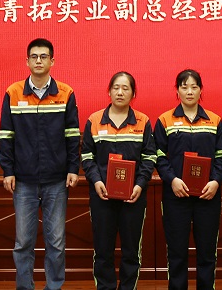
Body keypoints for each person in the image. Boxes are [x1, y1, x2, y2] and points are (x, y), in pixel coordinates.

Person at [0, 38, 80, 290]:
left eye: (44, 56)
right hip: (23, 180)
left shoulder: (65, 93)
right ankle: (25, 287)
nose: (38, 61)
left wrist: (73, 169)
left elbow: (72, 135)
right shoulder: (13, 93)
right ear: (27, 61)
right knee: (23, 242)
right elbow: (6, 136)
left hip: (57, 179)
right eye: (34, 57)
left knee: (56, 242)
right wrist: (8, 171)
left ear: (52, 61)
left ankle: (53, 286)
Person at [80, 71, 157, 290]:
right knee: (102, 250)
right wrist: (96, 181)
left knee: (131, 250)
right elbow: (87, 156)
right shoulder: (94, 120)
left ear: (133, 93)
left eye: (125, 88)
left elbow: (149, 157)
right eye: (116, 88)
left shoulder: (143, 121)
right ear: (109, 91)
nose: (120, 92)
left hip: (133, 197)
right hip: (102, 195)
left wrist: (140, 184)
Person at [154, 69, 222, 290]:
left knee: (207, 252)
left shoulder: (214, 120)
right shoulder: (165, 120)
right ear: (177, 90)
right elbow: (159, 155)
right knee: (177, 251)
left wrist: (215, 181)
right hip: (176, 195)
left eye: (194, 87)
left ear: (201, 90)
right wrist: (172, 180)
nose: (189, 91)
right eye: (184, 87)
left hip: (208, 195)